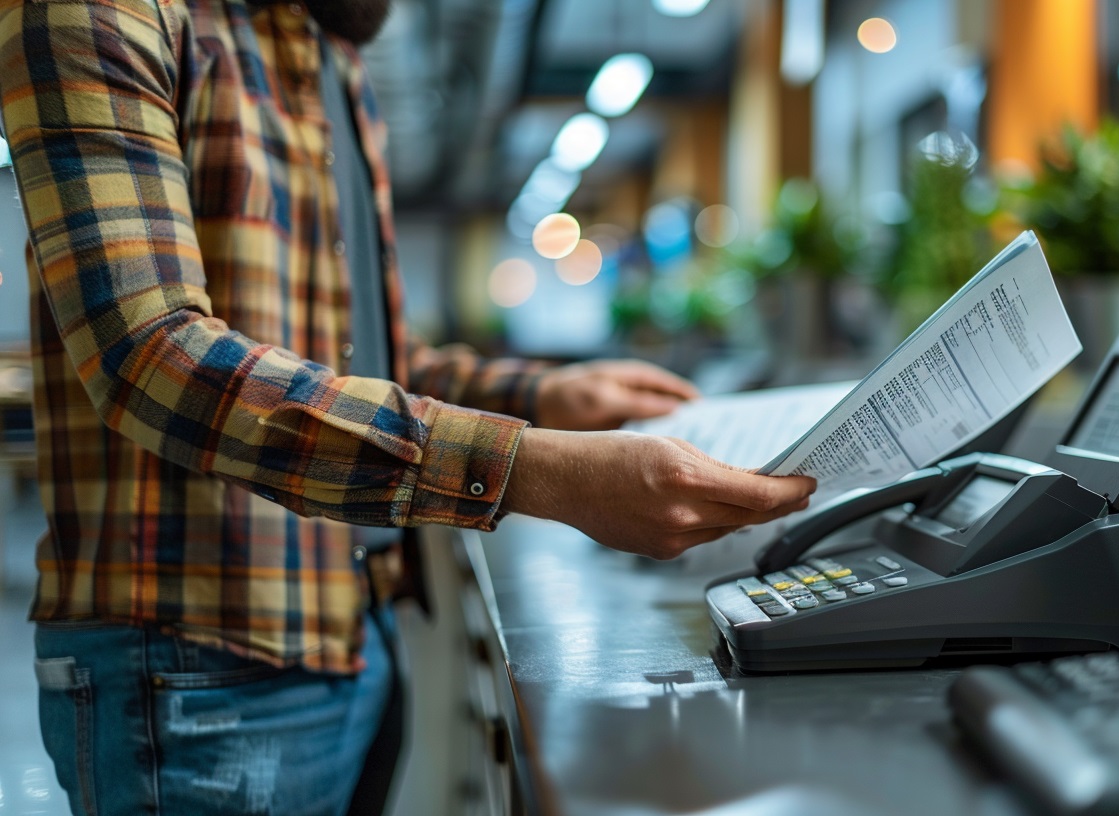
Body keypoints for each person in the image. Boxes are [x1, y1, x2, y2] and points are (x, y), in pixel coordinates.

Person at [0, 0, 816, 814]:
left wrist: (545, 396)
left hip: (355, 624)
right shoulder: (103, 12)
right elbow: (152, 354)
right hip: (193, 665)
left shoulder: (329, 54)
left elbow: (368, 358)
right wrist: (535, 469)